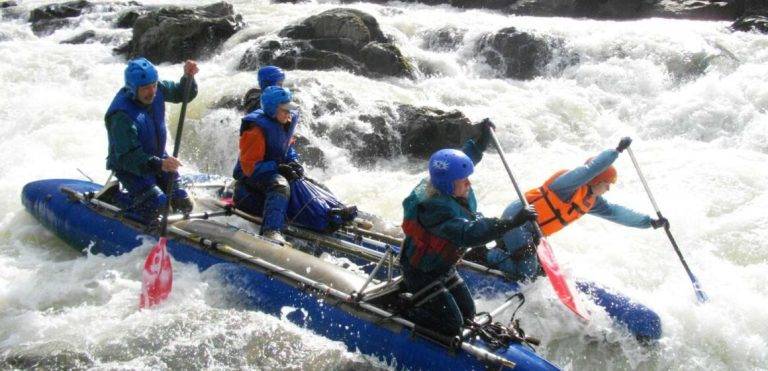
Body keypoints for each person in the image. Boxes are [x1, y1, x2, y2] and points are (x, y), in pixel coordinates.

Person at [399, 119, 538, 337]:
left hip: (443, 268)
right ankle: (405, 309)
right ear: (448, 184)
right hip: (421, 272)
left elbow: (462, 159)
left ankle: (426, 305)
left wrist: (481, 141)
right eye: (464, 181)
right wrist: (511, 223)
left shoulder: (447, 184)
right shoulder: (433, 209)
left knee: (469, 314)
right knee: (452, 325)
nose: (469, 184)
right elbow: (469, 233)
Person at [484, 137, 669, 281]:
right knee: (527, 274)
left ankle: (504, 255)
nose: (608, 188)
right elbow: (590, 169)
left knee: (540, 272)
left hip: (534, 230)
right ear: (597, 180)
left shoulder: (590, 201)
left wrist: (650, 222)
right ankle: (489, 255)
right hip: (518, 220)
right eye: (607, 183)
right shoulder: (567, 186)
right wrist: (617, 151)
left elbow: (616, 213)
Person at [105, 57, 199, 223]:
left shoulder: (157, 89)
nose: (152, 92)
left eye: (153, 85)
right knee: (159, 207)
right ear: (133, 88)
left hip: (157, 159)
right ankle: (113, 196)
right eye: (145, 88)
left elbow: (182, 93)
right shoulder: (121, 116)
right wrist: (160, 164)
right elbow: (128, 156)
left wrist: (188, 78)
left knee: (183, 202)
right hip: (130, 167)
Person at [232, 84, 301, 243]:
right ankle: (271, 231)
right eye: (284, 110)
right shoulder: (255, 132)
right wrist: (277, 168)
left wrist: (293, 162)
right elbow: (250, 168)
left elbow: (286, 148)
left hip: (269, 171)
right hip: (250, 180)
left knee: (299, 180)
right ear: (272, 109)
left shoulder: (283, 123)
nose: (288, 113)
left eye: (289, 109)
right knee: (280, 185)